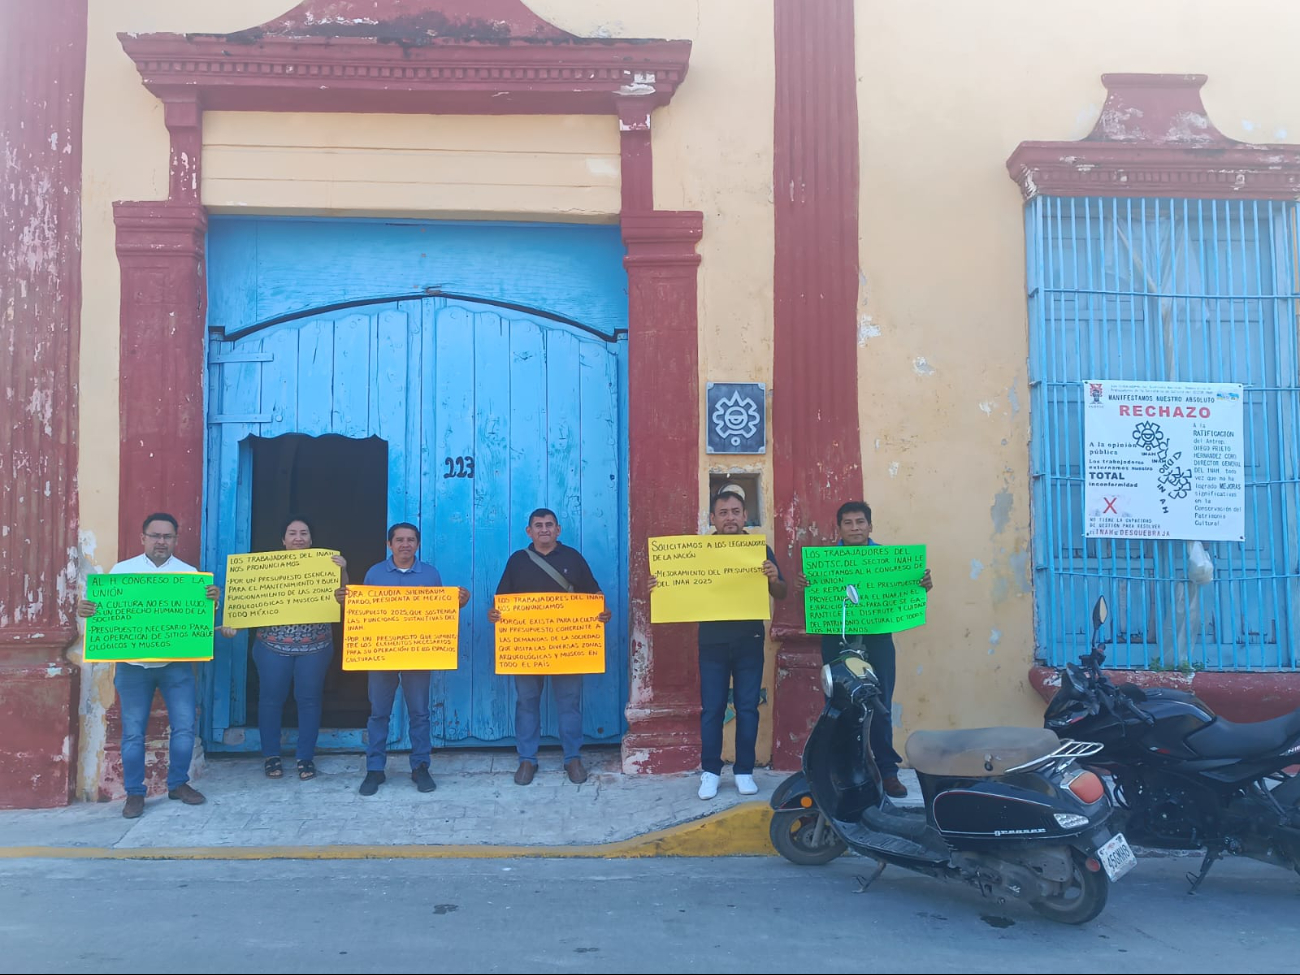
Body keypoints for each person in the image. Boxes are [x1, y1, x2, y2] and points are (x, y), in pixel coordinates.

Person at [76, 512, 223, 819]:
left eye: (167, 536)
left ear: (175, 540)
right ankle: (135, 793)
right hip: (132, 667)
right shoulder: (121, 573)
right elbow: (102, 615)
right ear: (143, 538)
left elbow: (196, 625)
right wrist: (87, 609)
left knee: (184, 727)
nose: (161, 542)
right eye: (155, 536)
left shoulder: (189, 574)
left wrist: (212, 602)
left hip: (175, 666)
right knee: (132, 733)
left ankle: (178, 784)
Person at [651, 487, 787, 800]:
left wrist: (773, 578)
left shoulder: (758, 549)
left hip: (749, 641)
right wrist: (661, 584)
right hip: (712, 643)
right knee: (711, 709)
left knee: (748, 708)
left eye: (735, 512)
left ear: (744, 516)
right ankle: (710, 772)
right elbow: (679, 590)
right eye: (723, 513)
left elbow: (781, 593)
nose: (730, 518)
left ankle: (744, 771)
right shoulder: (699, 552)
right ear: (712, 518)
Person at [796, 501, 933, 799]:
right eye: (848, 522)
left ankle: (887, 771)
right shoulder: (824, 562)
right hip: (836, 638)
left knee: (881, 704)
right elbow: (811, 598)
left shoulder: (889, 560)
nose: (855, 528)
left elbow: (908, 591)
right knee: (838, 704)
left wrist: (921, 585)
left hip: (878, 638)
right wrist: (806, 585)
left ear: (870, 526)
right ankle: (840, 768)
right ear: (839, 528)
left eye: (860, 522)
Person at [488, 508, 612, 786]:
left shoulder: (573, 558)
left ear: (558, 529)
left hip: (567, 646)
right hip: (526, 647)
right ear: (528, 531)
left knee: (569, 703)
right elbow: (501, 602)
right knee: (527, 702)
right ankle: (527, 760)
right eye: (538, 525)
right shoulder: (518, 561)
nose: (544, 529)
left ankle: (573, 758)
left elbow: (595, 596)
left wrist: (602, 612)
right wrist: (494, 614)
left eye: (549, 525)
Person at [356, 522, 469, 796]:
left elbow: (438, 613)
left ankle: (420, 767)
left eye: (410, 540)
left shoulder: (430, 574)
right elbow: (364, 612)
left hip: (418, 653)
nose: (405, 544)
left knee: (419, 712)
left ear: (418, 544)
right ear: (389, 544)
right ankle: (375, 769)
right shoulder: (374, 573)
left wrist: (458, 603)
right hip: (381, 654)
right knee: (378, 713)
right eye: (399, 540)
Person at [240, 515, 348, 782]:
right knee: (270, 700)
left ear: (311, 539)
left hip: (316, 646)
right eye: (292, 533)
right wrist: (235, 623)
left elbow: (345, 598)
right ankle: (271, 756)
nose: (298, 538)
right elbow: (246, 599)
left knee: (310, 701)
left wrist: (343, 569)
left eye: (304, 533)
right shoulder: (265, 568)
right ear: (283, 540)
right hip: (271, 647)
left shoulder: (327, 565)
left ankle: (305, 757)